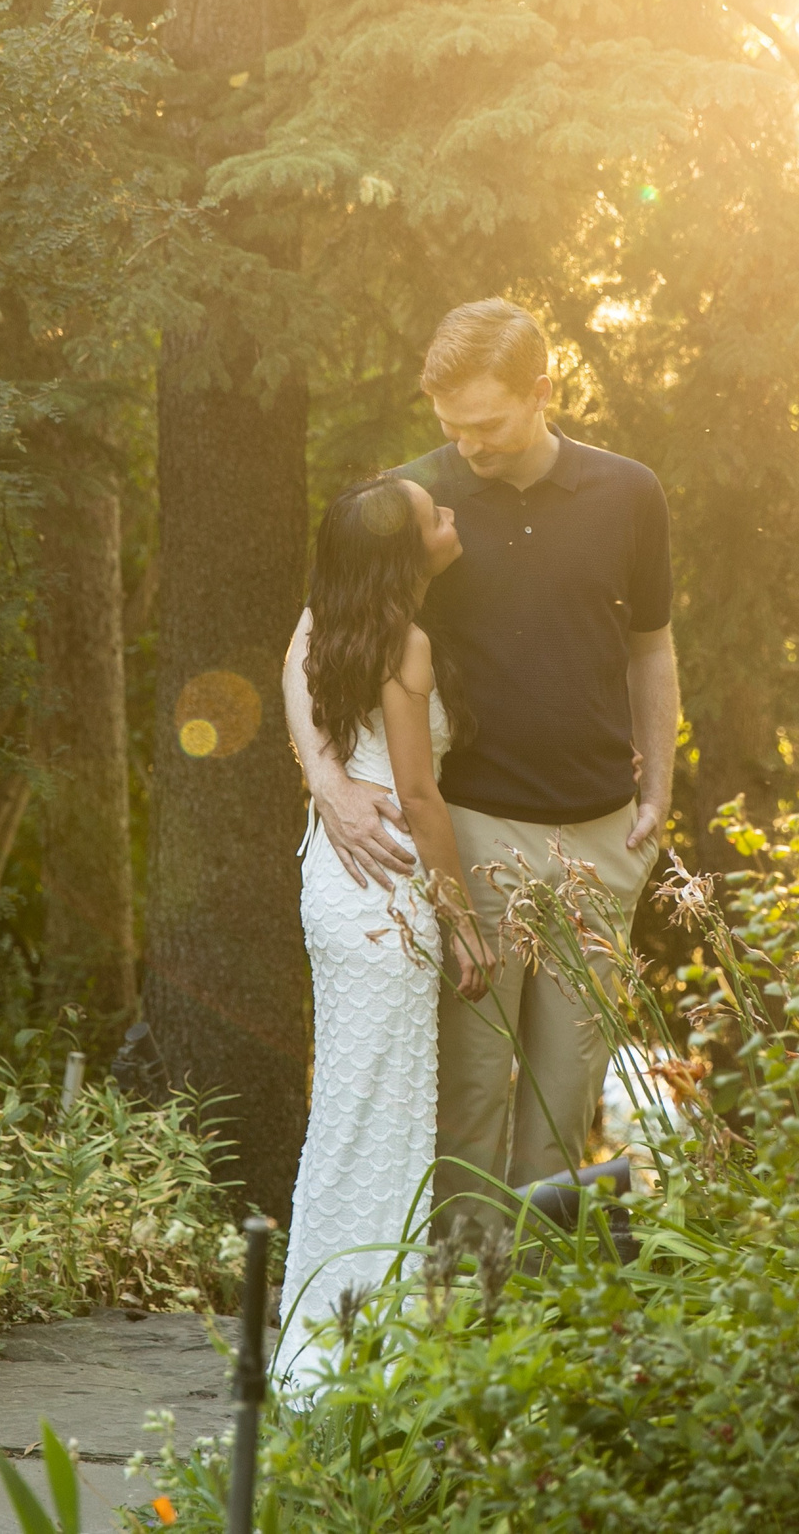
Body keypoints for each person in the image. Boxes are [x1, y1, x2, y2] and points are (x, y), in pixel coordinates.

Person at [281, 297, 678, 1235]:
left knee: (560, 1107)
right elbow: (308, 645)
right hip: (471, 836)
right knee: (464, 1102)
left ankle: (527, 1333)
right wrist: (329, 783)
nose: (467, 445)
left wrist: (657, 781)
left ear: (544, 390)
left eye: (486, 424)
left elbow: (651, 646)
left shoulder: (630, 493)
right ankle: (458, 1320)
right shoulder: (417, 499)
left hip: (600, 841)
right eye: (450, 425)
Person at [277, 474, 489, 1385]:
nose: (452, 516)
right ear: (406, 553)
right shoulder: (406, 642)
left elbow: (292, 677)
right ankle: (345, 1361)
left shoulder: (323, 619)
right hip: (388, 889)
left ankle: (331, 1341)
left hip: (335, 883)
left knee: (355, 1113)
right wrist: (465, 921)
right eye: (434, 513)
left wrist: (325, 785)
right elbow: (417, 794)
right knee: (379, 1116)